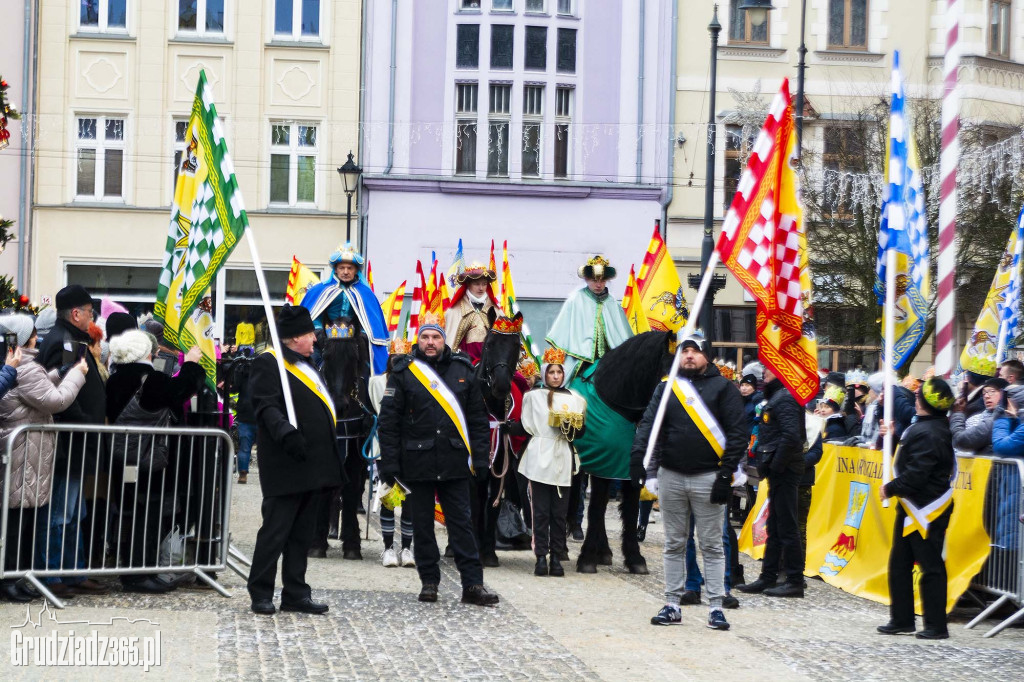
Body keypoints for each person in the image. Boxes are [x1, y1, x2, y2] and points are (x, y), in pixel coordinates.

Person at [376, 313, 499, 606]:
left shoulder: (462, 370)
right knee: (422, 527)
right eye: (425, 337)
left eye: (436, 337)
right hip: (416, 464)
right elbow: (388, 422)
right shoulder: (403, 372)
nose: (430, 343)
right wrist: (390, 463)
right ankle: (429, 582)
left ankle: (473, 585)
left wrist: (481, 459)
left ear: (445, 340)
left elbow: (478, 421)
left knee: (462, 526)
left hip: (455, 462)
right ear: (418, 340)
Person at [632, 332, 747, 631]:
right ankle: (672, 603)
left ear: (706, 355)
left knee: (711, 545)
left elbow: (737, 434)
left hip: (709, 477)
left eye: (695, 351)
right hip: (671, 476)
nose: (689, 356)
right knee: (673, 543)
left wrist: (726, 474)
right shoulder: (667, 388)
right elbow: (649, 424)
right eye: (685, 351)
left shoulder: (724, 388)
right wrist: (638, 458)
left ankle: (716, 607)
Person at [247, 306, 344, 615]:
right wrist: (286, 433)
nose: (315, 340)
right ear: (294, 338)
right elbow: (265, 407)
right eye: (310, 335)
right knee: (275, 533)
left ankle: (295, 593)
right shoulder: (269, 363)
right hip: (286, 463)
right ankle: (261, 592)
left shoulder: (308, 365)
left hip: (313, 464)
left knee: (302, 534)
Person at [105, 329, 205, 593]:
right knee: (147, 514)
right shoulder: (150, 379)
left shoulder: (115, 378)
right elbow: (181, 391)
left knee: (131, 512)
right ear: (148, 353)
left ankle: (133, 570)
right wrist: (192, 365)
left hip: (122, 456)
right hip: (149, 458)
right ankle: (139, 572)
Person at [0, 313, 87, 603]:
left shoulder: (23, 367)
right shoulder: (24, 368)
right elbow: (55, 400)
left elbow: (40, 389)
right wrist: (77, 374)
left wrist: (60, 373)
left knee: (23, 521)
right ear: (25, 338)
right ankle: (10, 580)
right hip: (24, 453)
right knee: (16, 524)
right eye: (33, 333)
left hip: (28, 453)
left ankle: (18, 577)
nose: (38, 337)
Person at [34, 284, 109, 599]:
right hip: (70, 442)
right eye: (90, 313)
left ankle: (73, 570)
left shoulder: (73, 339)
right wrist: (86, 422)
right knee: (63, 510)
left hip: (79, 441)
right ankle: (53, 573)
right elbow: (62, 390)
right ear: (76, 313)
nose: (93, 319)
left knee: (75, 510)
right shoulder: (65, 342)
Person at [877, 377, 956, 640]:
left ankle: (935, 625)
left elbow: (917, 474)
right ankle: (901, 619)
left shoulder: (930, 431)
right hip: (912, 507)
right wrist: (893, 437)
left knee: (930, 567)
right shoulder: (927, 426)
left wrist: (890, 488)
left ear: (921, 401)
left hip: (926, 508)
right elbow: (912, 456)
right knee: (899, 564)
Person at [511, 347, 587, 578]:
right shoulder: (533, 397)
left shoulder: (576, 399)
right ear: (545, 374)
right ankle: (541, 557)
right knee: (540, 511)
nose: (555, 376)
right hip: (539, 455)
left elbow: (581, 431)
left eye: (559, 372)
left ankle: (556, 557)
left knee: (559, 512)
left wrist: (574, 428)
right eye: (551, 372)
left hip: (563, 456)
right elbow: (524, 425)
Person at [737, 365, 806, 598]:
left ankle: (795, 579)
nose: (765, 370)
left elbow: (791, 436)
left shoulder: (785, 397)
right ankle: (768, 577)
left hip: (785, 470)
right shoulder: (778, 395)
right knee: (775, 526)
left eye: (770, 367)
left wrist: (775, 465)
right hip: (778, 469)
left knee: (787, 526)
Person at [300, 242, 389, 375]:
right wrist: (319, 333)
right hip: (324, 340)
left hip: (354, 341)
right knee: (309, 365)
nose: (345, 272)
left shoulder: (366, 293)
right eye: (342, 268)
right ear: (335, 269)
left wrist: (362, 335)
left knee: (369, 371)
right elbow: (313, 318)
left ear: (356, 270)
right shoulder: (320, 290)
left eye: (350, 268)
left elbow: (369, 323)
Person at [369, 338, 415, 569]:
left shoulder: (415, 382)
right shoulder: (376, 382)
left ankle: (406, 547)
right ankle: (388, 548)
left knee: (409, 499)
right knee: (388, 496)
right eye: (394, 358)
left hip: (410, 446)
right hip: (384, 444)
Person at [444, 262, 501, 362]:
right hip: (463, 360)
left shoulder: (496, 310)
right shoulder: (454, 311)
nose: (481, 288)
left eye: (484, 284)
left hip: (491, 360)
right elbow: (450, 338)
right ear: (468, 284)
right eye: (477, 284)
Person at [950, 377, 1007, 457]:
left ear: (1004, 393)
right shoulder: (975, 419)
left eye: (992, 391)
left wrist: (958, 413)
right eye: (984, 393)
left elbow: (961, 440)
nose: (987, 396)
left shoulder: (1003, 417)